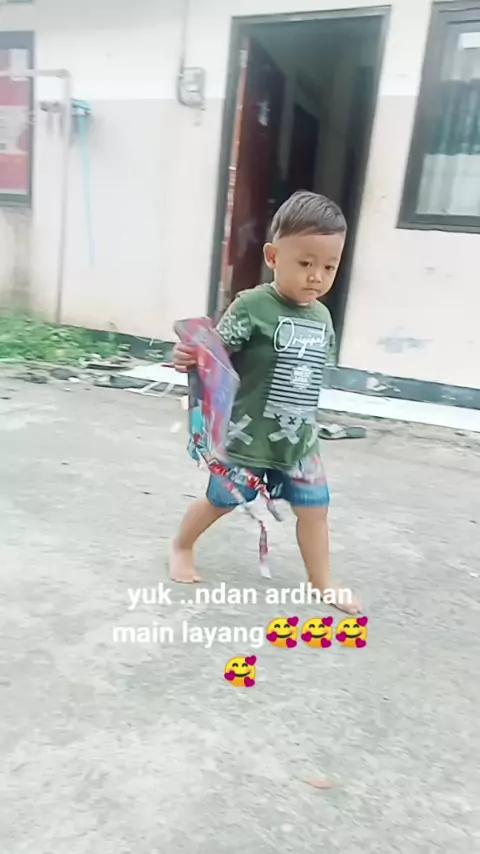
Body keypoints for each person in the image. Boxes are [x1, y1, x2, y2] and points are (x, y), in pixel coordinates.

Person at [171, 190, 360, 615]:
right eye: (305, 263)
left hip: (299, 441)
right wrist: (189, 357)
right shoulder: (253, 306)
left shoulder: (323, 317)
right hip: (247, 439)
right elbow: (213, 358)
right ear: (274, 257)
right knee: (221, 500)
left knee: (315, 509)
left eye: (329, 266)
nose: (316, 276)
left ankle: (322, 581)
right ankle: (182, 546)